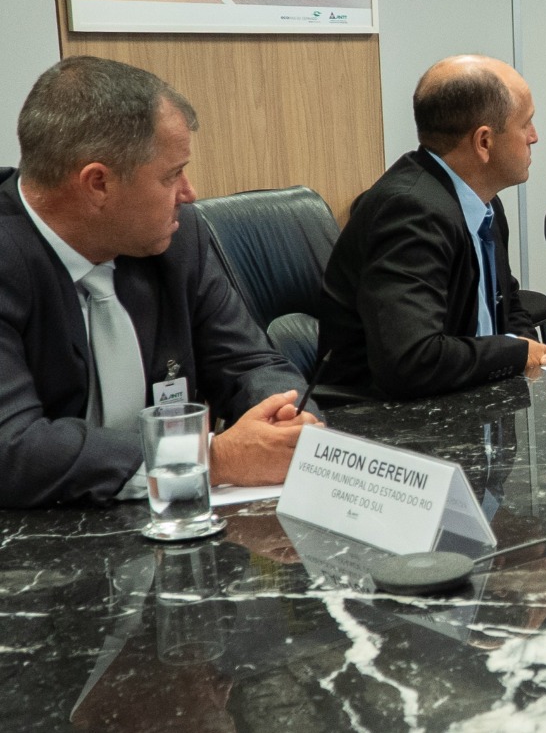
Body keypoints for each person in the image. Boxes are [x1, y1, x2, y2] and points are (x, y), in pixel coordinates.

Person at [0, 56, 316, 508]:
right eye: (171, 175)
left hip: (166, 523)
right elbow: (13, 448)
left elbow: (249, 363)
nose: (189, 193)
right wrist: (206, 458)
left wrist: (288, 421)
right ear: (97, 184)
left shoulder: (177, 239)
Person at [318, 55, 546, 398]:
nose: (534, 136)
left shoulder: (483, 201)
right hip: (385, 418)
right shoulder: (410, 212)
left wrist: (531, 349)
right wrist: (515, 352)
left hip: (473, 402)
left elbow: (508, 304)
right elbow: (412, 360)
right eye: (526, 123)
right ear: (484, 142)